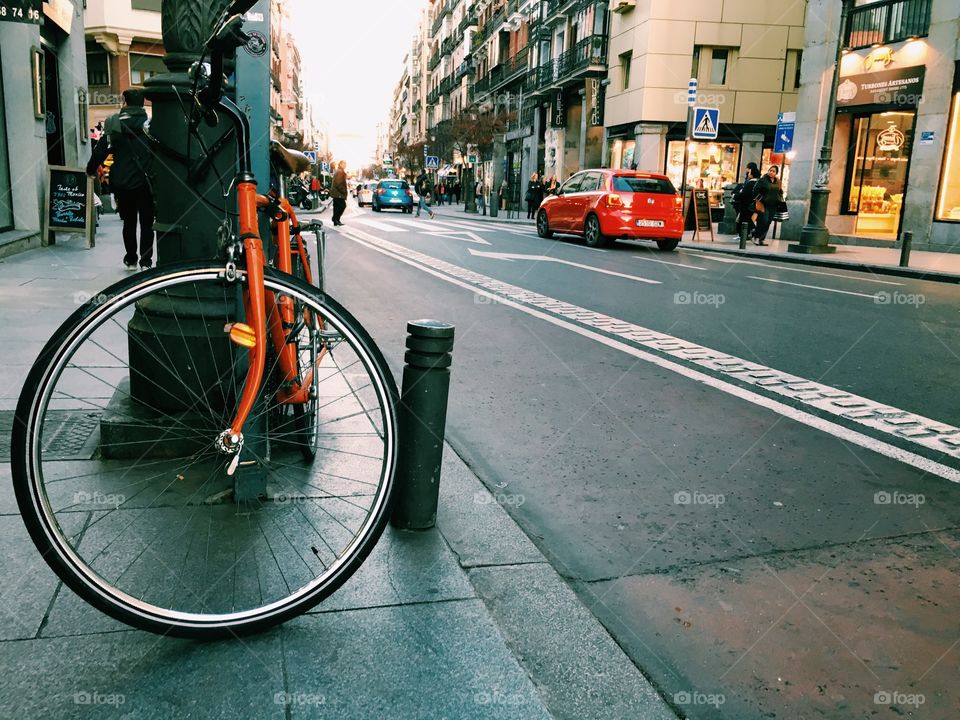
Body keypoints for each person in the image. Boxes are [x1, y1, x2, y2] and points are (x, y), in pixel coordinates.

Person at [86, 89, 154, 270]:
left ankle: (131, 258)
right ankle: (146, 261)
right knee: (147, 222)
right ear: (142, 104)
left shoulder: (114, 123)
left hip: (123, 182)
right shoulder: (151, 125)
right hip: (147, 181)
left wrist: (90, 170)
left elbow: (100, 151)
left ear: (124, 102)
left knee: (129, 221)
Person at [752, 164, 782, 245]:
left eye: (773, 171)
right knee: (763, 221)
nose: (771, 172)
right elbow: (755, 190)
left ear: (776, 173)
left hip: (773, 205)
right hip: (763, 204)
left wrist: (779, 200)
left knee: (768, 222)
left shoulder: (778, 182)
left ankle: (761, 239)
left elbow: (780, 192)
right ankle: (756, 236)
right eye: (770, 170)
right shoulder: (762, 180)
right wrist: (761, 199)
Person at [732, 164, 761, 239]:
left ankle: (744, 235)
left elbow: (744, 194)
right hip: (754, 205)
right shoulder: (759, 183)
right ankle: (748, 234)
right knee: (747, 219)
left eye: (749, 173)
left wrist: (735, 196)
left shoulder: (750, 183)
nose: (748, 174)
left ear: (752, 174)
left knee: (744, 220)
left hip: (746, 205)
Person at [331, 160, 348, 226]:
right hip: (338, 193)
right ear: (340, 164)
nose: (345, 165)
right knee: (342, 206)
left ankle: (336, 221)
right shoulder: (340, 172)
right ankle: (335, 218)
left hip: (336, 193)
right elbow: (338, 183)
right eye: (344, 164)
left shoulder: (338, 171)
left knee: (336, 207)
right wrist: (343, 191)